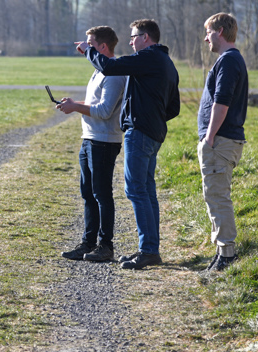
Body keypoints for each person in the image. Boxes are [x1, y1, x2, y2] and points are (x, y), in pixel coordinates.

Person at [74, 19, 180, 270]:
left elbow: (109, 67)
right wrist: (154, 118)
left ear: (146, 37)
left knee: (135, 190)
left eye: (134, 36)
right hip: (153, 133)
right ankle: (150, 248)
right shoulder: (167, 63)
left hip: (140, 133)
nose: (130, 41)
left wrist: (88, 50)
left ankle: (149, 250)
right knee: (147, 191)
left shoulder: (148, 57)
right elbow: (173, 108)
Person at [58, 26, 127, 262]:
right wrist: (74, 103)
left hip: (104, 142)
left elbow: (106, 111)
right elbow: (94, 103)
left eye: (90, 44)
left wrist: (76, 107)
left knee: (101, 194)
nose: (84, 48)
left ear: (103, 47)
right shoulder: (98, 71)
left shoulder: (114, 73)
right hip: (89, 139)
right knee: (88, 193)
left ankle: (105, 246)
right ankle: (88, 243)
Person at [198, 13, 248, 272]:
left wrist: (209, 136)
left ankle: (227, 256)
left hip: (220, 141)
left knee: (218, 197)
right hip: (220, 140)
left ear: (219, 31)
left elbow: (222, 101)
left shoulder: (228, 61)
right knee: (214, 195)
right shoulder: (228, 60)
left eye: (208, 32)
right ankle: (221, 253)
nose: (205, 37)